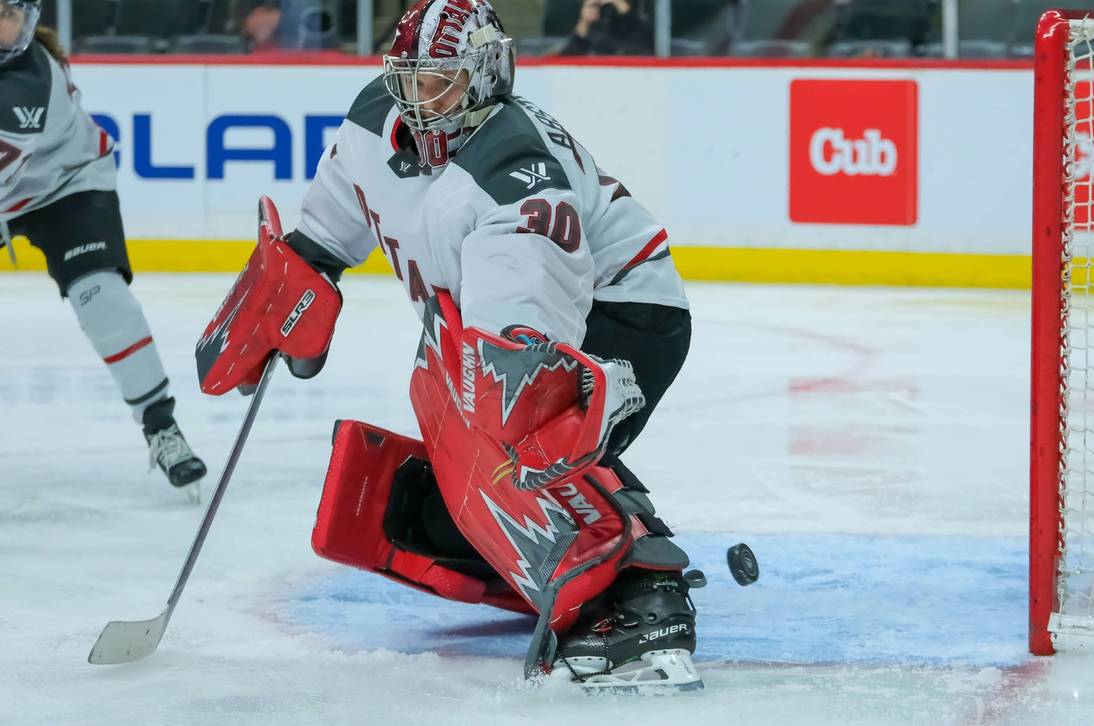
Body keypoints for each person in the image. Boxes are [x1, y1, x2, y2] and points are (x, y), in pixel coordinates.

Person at [196, 0, 700, 691]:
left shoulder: (516, 178)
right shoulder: (377, 115)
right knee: (440, 508)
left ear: (488, 77)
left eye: (443, 81)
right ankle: (523, 550)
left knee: (513, 426)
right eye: (410, 77)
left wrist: (508, 456)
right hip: (515, 321)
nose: (420, 98)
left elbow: (526, 368)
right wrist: (289, 291)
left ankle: (643, 591)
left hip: (625, 313)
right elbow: (325, 235)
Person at [0, 1, 207, 492]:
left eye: (13, 12)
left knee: (102, 297)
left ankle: (161, 426)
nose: (10, 24)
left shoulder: (27, 90)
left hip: (66, 186)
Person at [561, 0, 654, 56]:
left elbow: (634, 25)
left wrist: (616, 2)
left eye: (598, 7)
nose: (594, 10)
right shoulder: (585, 34)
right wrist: (585, 20)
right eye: (592, 7)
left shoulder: (615, 29)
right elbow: (573, 47)